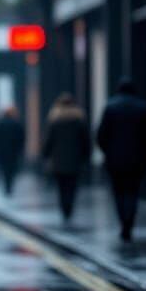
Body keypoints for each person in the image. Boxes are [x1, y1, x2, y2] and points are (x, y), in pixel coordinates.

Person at [96, 78, 146, 241]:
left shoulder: (110, 107)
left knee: (119, 192)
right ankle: (129, 221)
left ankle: (123, 221)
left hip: (115, 159)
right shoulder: (143, 108)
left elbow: (101, 135)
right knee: (133, 191)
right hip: (137, 159)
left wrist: (107, 151)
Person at [41, 93, 91, 223]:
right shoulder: (79, 120)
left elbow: (49, 141)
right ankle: (69, 207)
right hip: (75, 160)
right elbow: (85, 140)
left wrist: (45, 154)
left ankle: (64, 209)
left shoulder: (55, 120)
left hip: (58, 161)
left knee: (61, 187)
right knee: (72, 186)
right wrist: (86, 156)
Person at [0, 106, 25, 194]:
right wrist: (19, 149)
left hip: (2, 152)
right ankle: (10, 186)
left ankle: (7, 187)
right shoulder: (16, 124)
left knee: (5, 170)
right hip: (13, 152)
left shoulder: (0, 123)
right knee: (12, 170)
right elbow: (21, 138)